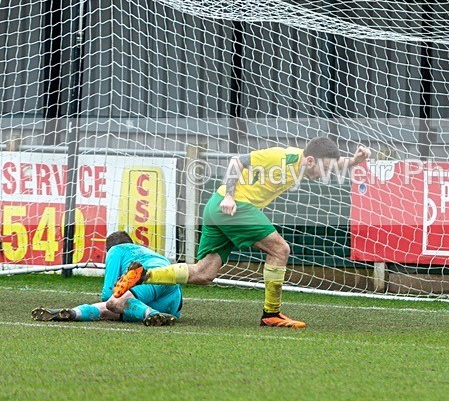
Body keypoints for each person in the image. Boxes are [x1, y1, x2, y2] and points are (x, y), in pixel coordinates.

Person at [112, 136, 371, 329]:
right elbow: (238, 161)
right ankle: (271, 313)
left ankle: (143, 274)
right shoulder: (283, 157)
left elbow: (332, 164)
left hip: (215, 207)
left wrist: (354, 161)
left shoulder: (305, 164)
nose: (326, 173)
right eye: (323, 168)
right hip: (232, 206)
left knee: (204, 273)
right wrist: (232, 197)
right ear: (310, 159)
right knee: (280, 249)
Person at [32, 230, 182, 327]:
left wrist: (117, 293)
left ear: (108, 250)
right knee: (107, 310)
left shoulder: (117, 250)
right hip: (172, 303)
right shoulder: (146, 252)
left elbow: (108, 292)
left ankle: (151, 314)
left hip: (150, 277)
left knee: (112, 302)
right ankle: (73, 313)